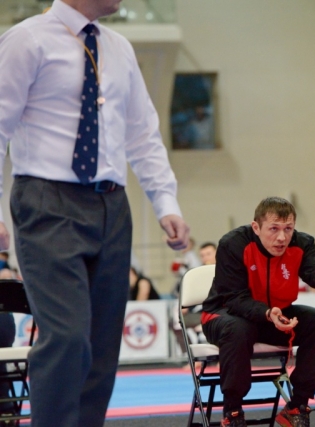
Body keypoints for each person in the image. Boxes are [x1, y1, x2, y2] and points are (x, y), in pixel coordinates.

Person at [0, 1, 191, 426]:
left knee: (102, 348)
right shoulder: (26, 40)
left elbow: (142, 133)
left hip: (112, 206)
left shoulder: (119, 48)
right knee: (67, 338)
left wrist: (166, 202)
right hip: (46, 202)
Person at [200, 197, 315, 427]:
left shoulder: (302, 243)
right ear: (256, 227)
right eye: (274, 229)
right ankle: (232, 411)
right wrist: (267, 313)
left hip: (274, 317)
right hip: (225, 314)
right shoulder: (233, 244)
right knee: (238, 329)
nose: (282, 237)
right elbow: (233, 299)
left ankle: (297, 406)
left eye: (288, 229)